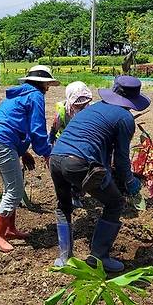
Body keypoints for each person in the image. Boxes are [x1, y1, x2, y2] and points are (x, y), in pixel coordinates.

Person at [50, 76, 149, 270]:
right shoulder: (125, 118)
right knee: (115, 203)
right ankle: (99, 257)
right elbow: (121, 159)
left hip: (56, 158)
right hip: (78, 162)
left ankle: (64, 258)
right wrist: (131, 183)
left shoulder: (94, 108)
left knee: (64, 206)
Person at [0, 65, 59, 253]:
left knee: (10, 188)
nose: (48, 88)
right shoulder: (36, 96)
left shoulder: (18, 94)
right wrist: (46, 153)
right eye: (47, 85)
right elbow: (37, 129)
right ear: (42, 84)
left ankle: (10, 229)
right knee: (15, 191)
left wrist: (23, 151)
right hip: (3, 143)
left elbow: (14, 123)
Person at [49, 81, 94, 209]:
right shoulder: (62, 111)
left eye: (84, 102)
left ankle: (76, 193)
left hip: (82, 143)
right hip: (64, 143)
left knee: (81, 170)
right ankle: (67, 197)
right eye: (78, 103)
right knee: (66, 171)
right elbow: (53, 130)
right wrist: (49, 146)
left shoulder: (91, 109)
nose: (81, 106)